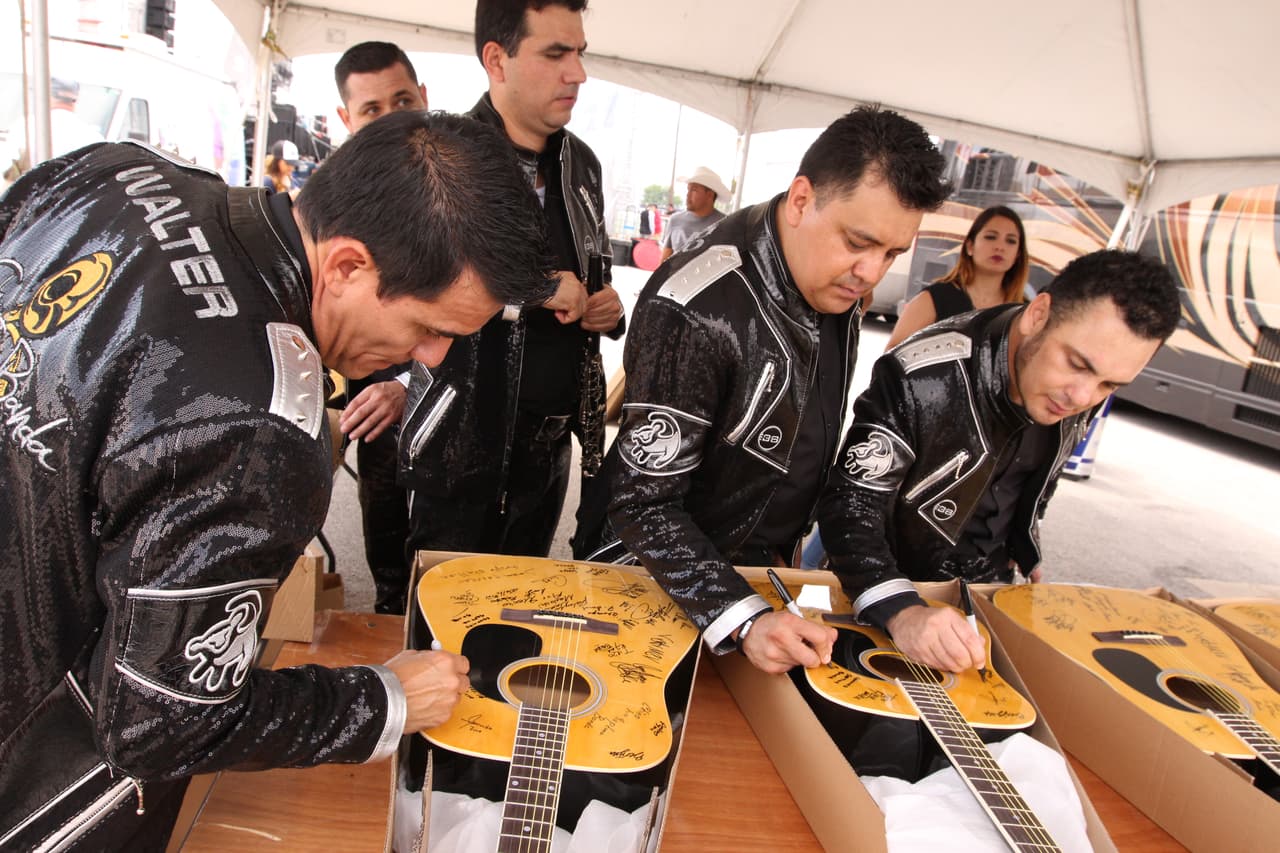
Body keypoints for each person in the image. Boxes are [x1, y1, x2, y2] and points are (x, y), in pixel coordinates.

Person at [0, 110, 553, 850]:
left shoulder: (115, 172)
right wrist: (383, 697)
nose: (430, 360)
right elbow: (157, 724)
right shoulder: (261, 422)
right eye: (431, 328)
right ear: (350, 264)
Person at [572, 105, 953, 676]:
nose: (871, 272)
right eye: (859, 242)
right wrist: (742, 616)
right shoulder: (698, 305)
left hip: (761, 572)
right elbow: (643, 503)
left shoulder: (831, 278)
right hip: (652, 578)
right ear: (802, 199)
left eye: (893, 254)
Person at [817, 249, 1180, 674]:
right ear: (1039, 314)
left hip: (988, 602)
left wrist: (1026, 544)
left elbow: (1039, 477)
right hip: (887, 596)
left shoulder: (1081, 386)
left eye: (1109, 384)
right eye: (1077, 365)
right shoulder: (924, 374)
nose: (1082, 397)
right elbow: (850, 503)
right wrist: (901, 608)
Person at [400, 0, 625, 561]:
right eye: (555, 53)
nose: (577, 73)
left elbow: (594, 277)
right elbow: (418, 285)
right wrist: (543, 289)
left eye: (579, 52)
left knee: (518, 619)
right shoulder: (443, 154)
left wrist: (606, 307)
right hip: (458, 447)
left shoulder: (584, 167)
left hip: (547, 453)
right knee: (440, 623)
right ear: (497, 60)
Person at [330, 41, 429, 614]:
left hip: (458, 415)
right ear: (346, 120)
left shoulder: (468, 194)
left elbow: (493, 320)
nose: (391, 118)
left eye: (402, 100)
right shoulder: (332, 206)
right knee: (390, 568)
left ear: (424, 99)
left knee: (453, 574)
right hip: (374, 417)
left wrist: (412, 385)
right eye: (371, 109)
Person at [886, 204, 1029, 348]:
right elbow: (892, 358)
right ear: (970, 246)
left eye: (1011, 241)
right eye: (990, 237)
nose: (1000, 247)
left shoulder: (1024, 313)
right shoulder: (935, 299)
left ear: (1018, 254)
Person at [660, 165, 730, 261]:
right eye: (688, 189)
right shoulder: (675, 220)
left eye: (694, 190)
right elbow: (664, 261)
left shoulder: (725, 224)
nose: (688, 194)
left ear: (710, 194)